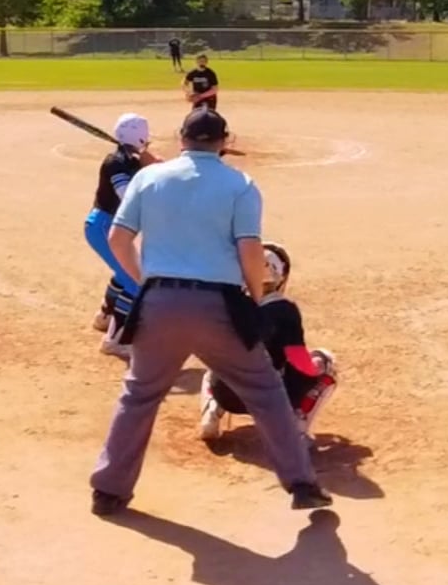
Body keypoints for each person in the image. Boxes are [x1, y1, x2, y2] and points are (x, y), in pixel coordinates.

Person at [89, 106, 331, 516]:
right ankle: (302, 484)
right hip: (219, 304)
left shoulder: (148, 178)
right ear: (225, 142)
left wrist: (145, 281)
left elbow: (117, 238)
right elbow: (250, 248)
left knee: (139, 395)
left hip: (159, 303)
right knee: (265, 391)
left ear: (181, 138)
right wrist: (255, 296)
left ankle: (108, 491)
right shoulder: (241, 184)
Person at [198, 242, 339, 445]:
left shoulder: (230, 302)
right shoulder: (285, 310)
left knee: (215, 367)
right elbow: (299, 362)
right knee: (326, 362)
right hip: (269, 400)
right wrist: (315, 368)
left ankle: (211, 412)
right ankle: (296, 430)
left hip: (226, 395)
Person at [86, 113, 159, 359]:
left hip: (108, 227)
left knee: (124, 273)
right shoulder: (116, 162)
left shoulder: (129, 160)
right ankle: (114, 341)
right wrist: (150, 169)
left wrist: (152, 166)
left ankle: (105, 317)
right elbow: (127, 197)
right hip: (104, 227)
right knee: (135, 282)